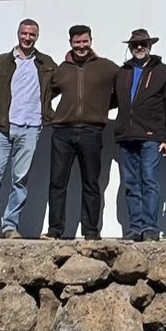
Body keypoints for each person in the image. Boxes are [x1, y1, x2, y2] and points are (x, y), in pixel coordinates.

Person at [0, 19, 54, 239]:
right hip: (1, 128)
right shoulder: (0, 63)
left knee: (20, 180)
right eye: (24, 33)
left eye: (32, 35)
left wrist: (48, 114)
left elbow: (55, 89)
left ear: (37, 36)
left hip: (30, 128)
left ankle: (10, 226)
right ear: (18, 34)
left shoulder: (46, 64)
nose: (27, 38)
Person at [43, 25, 121, 240]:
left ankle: (90, 231)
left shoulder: (106, 67)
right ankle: (55, 229)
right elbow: (46, 93)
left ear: (91, 41)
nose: (81, 46)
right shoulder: (61, 69)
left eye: (84, 41)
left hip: (91, 131)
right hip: (62, 132)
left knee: (91, 183)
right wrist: (49, 115)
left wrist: (105, 106)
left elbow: (123, 85)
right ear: (70, 43)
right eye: (77, 42)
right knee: (57, 183)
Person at [113, 28, 166, 242]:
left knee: (150, 182)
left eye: (143, 44)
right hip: (127, 135)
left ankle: (150, 228)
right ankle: (135, 227)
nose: (139, 48)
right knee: (131, 184)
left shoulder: (163, 72)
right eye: (135, 45)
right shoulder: (122, 72)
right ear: (130, 47)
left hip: (152, 136)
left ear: (150, 46)